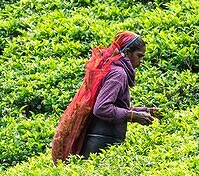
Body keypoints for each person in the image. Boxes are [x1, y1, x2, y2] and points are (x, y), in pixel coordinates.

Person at [51, 31, 159, 162]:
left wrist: (145, 111)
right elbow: (102, 108)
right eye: (139, 56)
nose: (141, 61)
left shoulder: (113, 69)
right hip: (100, 144)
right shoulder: (118, 74)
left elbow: (115, 106)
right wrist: (133, 116)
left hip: (101, 141)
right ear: (128, 53)